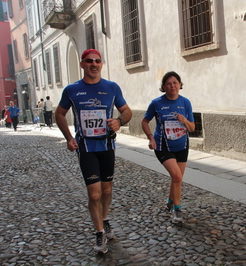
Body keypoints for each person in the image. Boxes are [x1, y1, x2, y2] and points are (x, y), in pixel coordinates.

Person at [55, 49, 132, 254]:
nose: (94, 64)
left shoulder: (111, 87)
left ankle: (105, 220)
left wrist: (119, 121)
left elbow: (127, 111)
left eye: (97, 61)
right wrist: (69, 138)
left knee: (107, 190)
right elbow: (59, 114)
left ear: (101, 64)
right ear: (82, 64)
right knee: (95, 193)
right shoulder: (72, 90)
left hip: (106, 146)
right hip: (86, 148)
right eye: (89, 61)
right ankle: (99, 234)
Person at [141, 71, 195, 224]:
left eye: (175, 83)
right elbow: (144, 122)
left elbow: (192, 128)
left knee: (177, 178)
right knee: (177, 176)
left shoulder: (185, 103)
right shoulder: (157, 103)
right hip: (163, 146)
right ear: (164, 87)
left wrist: (184, 120)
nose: (172, 86)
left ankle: (171, 200)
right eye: (169, 84)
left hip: (182, 145)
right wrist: (150, 138)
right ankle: (177, 210)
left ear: (180, 85)